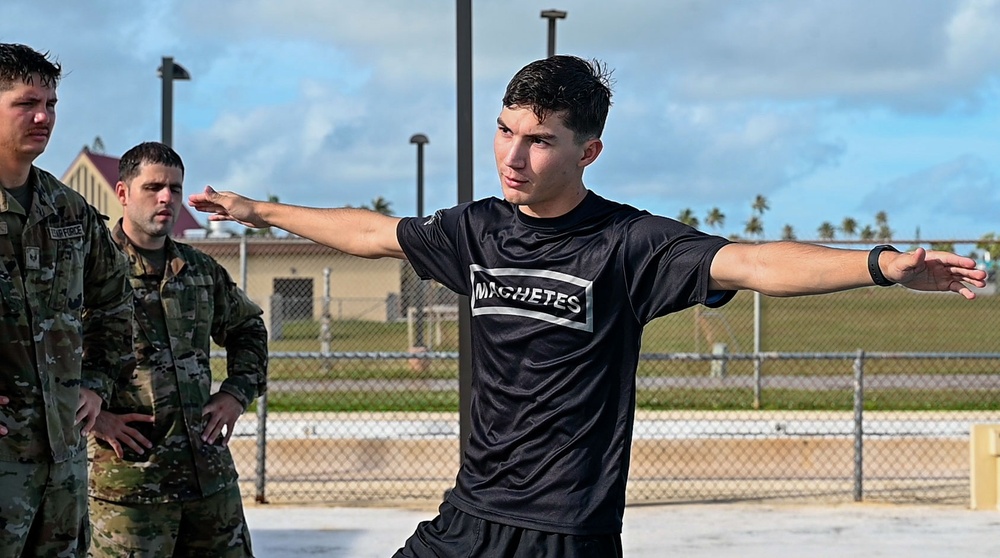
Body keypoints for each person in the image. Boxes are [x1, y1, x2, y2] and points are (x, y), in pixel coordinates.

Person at [188, 55, 987, 557]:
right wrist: (259, 211)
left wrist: (879, 266)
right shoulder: (475, 229)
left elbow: (753, 262)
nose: (512, 153)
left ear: (587, 150)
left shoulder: (630, 244)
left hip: (568, 531)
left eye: (538, 139)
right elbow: (368, 233)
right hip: (468, 518)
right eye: (504, 131)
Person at [88, 142, 267, 557]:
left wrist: (236, 393)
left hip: (208, 482)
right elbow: (43, 354)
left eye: (174, 187)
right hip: (129, 489)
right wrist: (97, 420)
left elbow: (247, 327)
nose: (166, 198)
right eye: (153, 187)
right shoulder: (91, 270)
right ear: (122, 193)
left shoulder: (200, 271)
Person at [0, 43, 133, 557]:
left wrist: (96, 383)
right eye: (26, 103)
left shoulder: (68, 210)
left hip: (61, 465)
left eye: (51, 104)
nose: (43, 116)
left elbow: (115, 303)